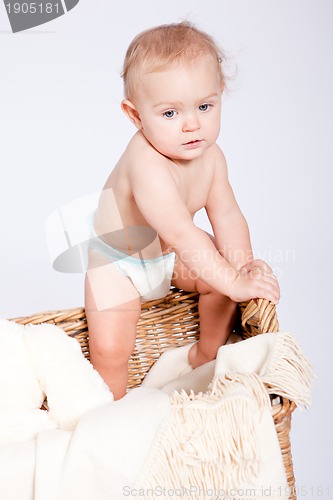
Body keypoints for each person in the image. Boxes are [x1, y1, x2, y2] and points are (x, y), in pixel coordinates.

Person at [84, 22, 280, 400]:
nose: (192, 124)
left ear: (220, 95)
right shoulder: (145, 162)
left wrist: (243, 272)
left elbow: (227, 215)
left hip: (170, 256)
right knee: (110, 350)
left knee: (221, 274)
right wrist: (233, 281)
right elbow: (180, 230)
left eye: (204, 106)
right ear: (135, 115)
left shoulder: (213, 159)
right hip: (118, 263)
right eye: (170, 114)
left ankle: (206, 354)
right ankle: (112, 412)